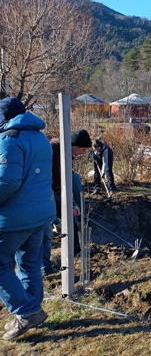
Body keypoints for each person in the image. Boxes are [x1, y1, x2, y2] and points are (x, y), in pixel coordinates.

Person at [0, 97, 55, 340]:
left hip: (14, 217)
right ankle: (31, 312)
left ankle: (27, 311)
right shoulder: (40, 137)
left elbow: (7, 181)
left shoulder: (10, 139)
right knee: (30, 264)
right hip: (41, 213)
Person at [44, 129, 92, 275]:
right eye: (82, 149)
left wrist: (73, 203)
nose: (83, 153)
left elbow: (64, 183)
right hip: (44, 196)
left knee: (63, 223)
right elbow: (57, 184)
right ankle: (45, 268)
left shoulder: (64, 152)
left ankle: (71, 251)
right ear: (74, 145)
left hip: (51, 195)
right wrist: (69, 204)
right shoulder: (54, 150)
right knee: (44, 233)